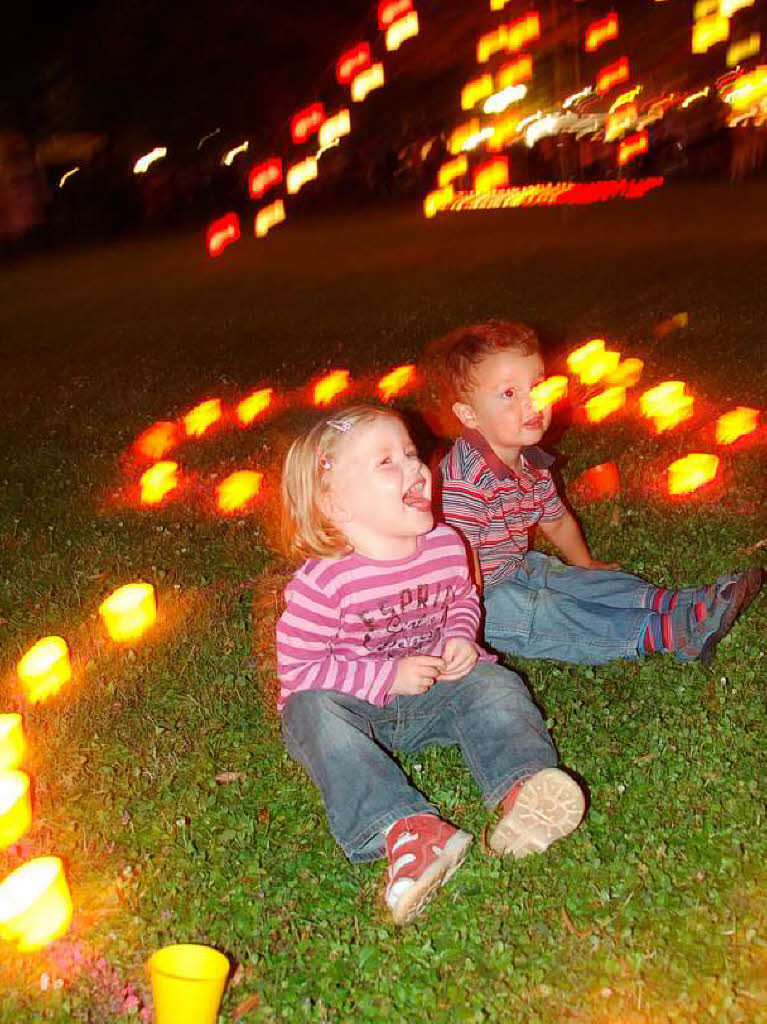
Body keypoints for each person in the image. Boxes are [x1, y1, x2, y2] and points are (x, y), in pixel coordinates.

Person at [276, 405, 585, 925]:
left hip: (439, 692)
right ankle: (407, 828)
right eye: (386, 462)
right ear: (335, 504)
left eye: (412, 454)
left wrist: (460, 635)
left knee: (493, 683)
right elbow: (299, 672)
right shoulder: (322, 585)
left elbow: (463, 598)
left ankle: (522, 790)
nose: (416, 469)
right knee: (308, 714)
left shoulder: (446, 544)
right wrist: (383, 676)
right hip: (357, 712)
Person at [426, 320, 762, 666]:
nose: (533, 403)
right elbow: (457, 560)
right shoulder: (465, 481)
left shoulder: (531, 462)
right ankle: (670, 632)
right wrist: (465, 620)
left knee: (577, 581)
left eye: (537, 386)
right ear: (469, 415)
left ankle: (683, 602)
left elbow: (555, 520)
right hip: (474, 601)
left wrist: (584, 564)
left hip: (515, 568)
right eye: (509, 394)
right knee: (550, 612)